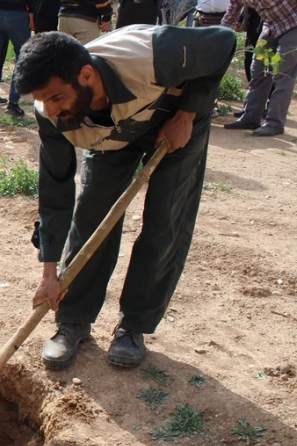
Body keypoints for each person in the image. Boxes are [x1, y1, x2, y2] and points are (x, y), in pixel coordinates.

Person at [15, 26, 236, 369]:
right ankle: (73, 319)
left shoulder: (151, 54)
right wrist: (49, 272)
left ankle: (133, 326)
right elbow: (55, 191)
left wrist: (187, 113)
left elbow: (223, 42)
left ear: (86, 76)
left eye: (57, 98)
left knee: (165, 220)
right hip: (109, 137)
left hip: (171, 121)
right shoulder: (53, 116)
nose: (51, 110)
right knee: (91, 214)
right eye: (43, 101)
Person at [217, 0, 297, 137]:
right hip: (271, 27)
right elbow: (230, 16)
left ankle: (274, 123)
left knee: (282, 73)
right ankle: (251, 117)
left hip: (293, 25)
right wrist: (215, 39)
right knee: (258, 70)